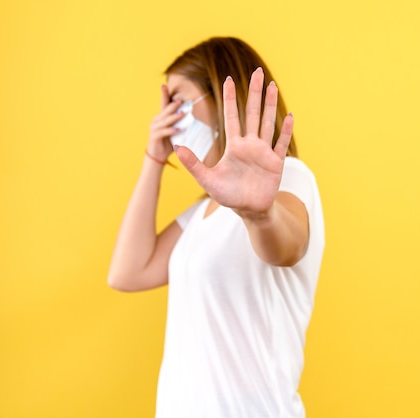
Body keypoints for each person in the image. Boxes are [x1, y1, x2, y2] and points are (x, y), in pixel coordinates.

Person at [107, 37, 325, 418]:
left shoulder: (291, 179)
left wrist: (259, 215)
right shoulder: (201, 214)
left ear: (223, 93)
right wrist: (153, 157)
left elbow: (287, 248)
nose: (169, 117)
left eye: (179, 100)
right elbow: (128, 272)